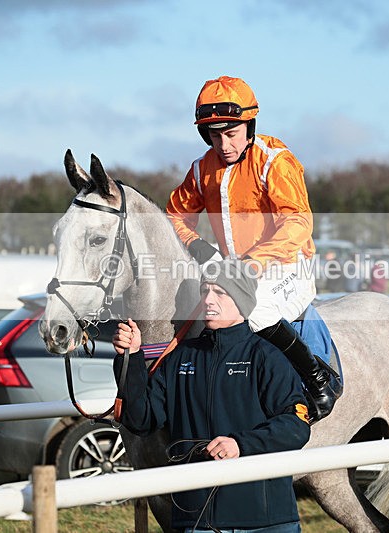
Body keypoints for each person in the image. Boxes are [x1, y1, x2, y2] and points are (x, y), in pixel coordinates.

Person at [165, 75, 340, 422]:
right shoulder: (202, 170)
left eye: (231, 133)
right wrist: (197, 245)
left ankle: (318, 378)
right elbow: (173, 216)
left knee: (254, 310)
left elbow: (298, 222)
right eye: (215, 135)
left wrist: (254, 262)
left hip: (289, 265)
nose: (224, 144)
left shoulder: (274, 160)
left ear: (249, 126)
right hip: (234, 273)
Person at [112, 259, 311, 533]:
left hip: (264, 522)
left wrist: (241, 445)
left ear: (241, 300)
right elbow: (141, 420)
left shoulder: (267, 357)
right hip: (195, 521)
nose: (208, 299)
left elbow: (296, 426)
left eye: (220, 292)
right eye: (205, 291)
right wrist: (131, 358)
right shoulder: (179, 358)